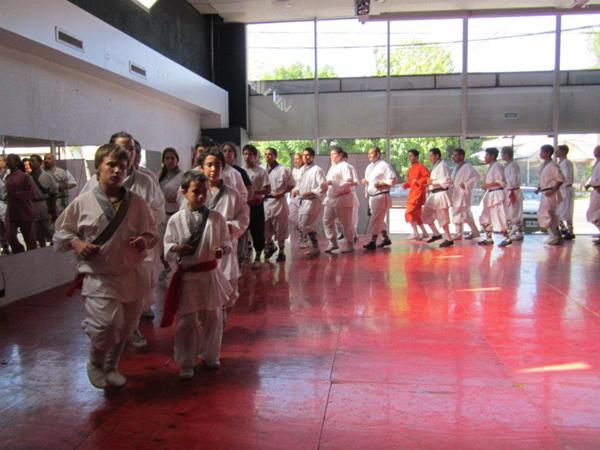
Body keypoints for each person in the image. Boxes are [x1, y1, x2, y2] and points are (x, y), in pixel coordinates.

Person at [53, 143, 159, 389]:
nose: (117, 170)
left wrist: (145, 240)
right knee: (107, 325)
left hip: (131, 274)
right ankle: (95, 362)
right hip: (100, 277)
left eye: (123, 166)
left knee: (127, 326)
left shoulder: (137, 202)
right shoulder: (83, 202)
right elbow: (61, 233)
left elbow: (152, 231)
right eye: (111, 165)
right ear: (97, 168)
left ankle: (111, 366)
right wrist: (77, 243)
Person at [81, 132, 166, 344]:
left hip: (137, 246)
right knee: (109, 298)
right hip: (107, 251)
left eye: (132, 149)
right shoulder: (94, 182)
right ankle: (105, 329)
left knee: (137, 289)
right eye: (122, 148)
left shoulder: (145, 180)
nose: (128, 152)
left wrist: (140, 227)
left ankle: (132, 326)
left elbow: (158, 210)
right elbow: (81, 215)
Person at [162, 171, 232, 379]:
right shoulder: (176, 219)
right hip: (188, 276)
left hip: (209, 274)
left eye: (204, 191)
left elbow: (226, 242)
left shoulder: (216, 218)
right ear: (184, 192)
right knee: (187, 321)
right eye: (195, 192)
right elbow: (167, 244)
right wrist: (176, 248)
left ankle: (211, 355)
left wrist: (221, 250)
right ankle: (186, 362)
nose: (201, 196)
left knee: (213, 317)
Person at [197, 147, 249, 318]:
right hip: (200, 246)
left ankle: (221, 310)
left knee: (224, 281)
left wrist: (229, 226)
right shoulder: (194, 193)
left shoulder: (232, 194)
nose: (213, 169)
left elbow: (244, 217)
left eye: (218, 165)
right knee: (202, 285)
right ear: (201, 168)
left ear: (223, 168)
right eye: (209, 165)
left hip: (223, 245)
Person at [291, 147, 327, 256]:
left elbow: (323, 186)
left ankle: (315, 246)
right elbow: (300, 183)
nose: (305, 157)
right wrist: (296, 190)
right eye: (304, 155)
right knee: (302, 223)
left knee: (306, 225)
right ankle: (314, 245)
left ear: (312, 156)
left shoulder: (317, 170)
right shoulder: (302, 169)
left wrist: (311, 192)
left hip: (312, 200)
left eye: (308, 155)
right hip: (303, 200)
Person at [264, 147, 296, 261]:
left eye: (270, 154)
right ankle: (271, 245)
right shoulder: (262, 170)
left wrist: (282, 192)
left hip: (278, 202)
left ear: (275, 156)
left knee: (280, 228)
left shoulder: (283, 169)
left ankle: (281, 252)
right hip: (265, 202)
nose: (267, 156)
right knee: (265, 228)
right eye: (266, 154)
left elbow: (292, 184)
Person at [362, 147, 397, 250]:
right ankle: (386, 238)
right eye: (368, 153)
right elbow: (372, 180)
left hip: (381, 196)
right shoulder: (370, 167)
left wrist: (382, 183)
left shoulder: (384, 165)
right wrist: (367, 181)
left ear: (378, 154)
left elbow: (393, 178)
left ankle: (373, 241)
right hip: (373, 197)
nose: (369, 155)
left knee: (376, 219)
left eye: (371, 153)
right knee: (379, 219)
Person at [157, 148, 184, 280]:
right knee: (160, 243)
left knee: (177, 243)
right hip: (162, 214)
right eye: (167, 158)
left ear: (177, 159)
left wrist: (176, 198)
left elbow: (185, 194)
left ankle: (180, 268)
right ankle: (166, 266)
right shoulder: (159, 175)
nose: (170, 161)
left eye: (172, 158)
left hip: (176, 213)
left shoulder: (182, 176)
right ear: (163, 160)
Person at [243, 144, 271, 269]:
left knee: (257, 231)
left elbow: (268, 189)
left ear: (255, 156)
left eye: (250, 154)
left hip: (256, 206)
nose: (247, 157)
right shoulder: (240, 172)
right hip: (243, 206)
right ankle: (242, 255)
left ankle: (258, 256)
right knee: (242, 232)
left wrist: (253, 192)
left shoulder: (261, 171)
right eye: (245, 154)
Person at [323, 146, 356, 253]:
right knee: (327, 221)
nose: (331, 156)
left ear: (340, 155)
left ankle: (350, 244)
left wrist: (333, 182)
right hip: (331, 198)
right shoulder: (333, 167)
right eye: (330, 154)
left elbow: (349, 181)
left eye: (334, 154)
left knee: (345, 223)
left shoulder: (345, 166)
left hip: (343, 198)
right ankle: (333, 242)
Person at [4, 154, 37, 253]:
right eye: (7, 160)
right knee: (10, 235)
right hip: (12, 211)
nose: (7, 163)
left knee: (29, 237)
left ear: (17, 162)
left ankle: (32, 255)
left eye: (9, 160)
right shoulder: (8, 177)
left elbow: (31, 192)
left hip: (24, 210)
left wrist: (18, 194)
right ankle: (18, 252)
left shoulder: (24, 177)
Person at [479, 148, 511, 247]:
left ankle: (507, 238)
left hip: (496, 194)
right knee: (484, 217)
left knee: (499, 216)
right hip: (490, 193)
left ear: (492, 156)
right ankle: (488, 238)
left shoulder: (497, 166)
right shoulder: (492, 166)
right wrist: (486, 186)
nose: (485, 157)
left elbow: (500, 181)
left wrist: (487, 185)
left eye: (487, 155)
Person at [423, 148, 454, 247]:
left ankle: (449, 238)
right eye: (429, 156)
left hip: (441, 194)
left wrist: (433, 182)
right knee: (426, 215)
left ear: (437, 156)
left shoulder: (443, 165)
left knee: (442, 218)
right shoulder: (436, 166)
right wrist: (430, 186)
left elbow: (447, 182)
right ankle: (436, 234)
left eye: (431, 156)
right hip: (433, 195)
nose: (430, 158)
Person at [535, 145, 565, 246]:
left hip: (550, 193)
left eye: (542, 152)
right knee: (551, 215)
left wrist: (552, 191)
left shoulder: (552, 165)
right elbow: (545, 179)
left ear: (548, 153)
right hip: (545, 191)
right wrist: (539, 188)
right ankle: (557, 235)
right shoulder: (544, 165)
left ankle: (553, 236)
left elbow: (560, 179)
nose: (540, 154)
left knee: (543, 214)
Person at [450, 148, 480, 241]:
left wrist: (466, 184)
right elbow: (452, 180)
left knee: (462, 213)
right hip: (457, 193)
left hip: (464, 193)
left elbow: (476, 177)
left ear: (461, 156)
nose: (453, 157)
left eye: (456, 155)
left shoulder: (467, 166)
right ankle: (473, 231)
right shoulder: (456, 168)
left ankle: (459, 233)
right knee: (461, 213)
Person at [29, 154, 58, 247]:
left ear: (39, 163)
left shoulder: (47, 176)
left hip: (45, 203)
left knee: (49, 228)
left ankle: (54, 245)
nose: (31, 163)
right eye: (30, 161)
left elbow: (54, 192)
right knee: (37, 230)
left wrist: (52, 206)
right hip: (33, 204)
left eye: (33, 161)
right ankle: (42, 246)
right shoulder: (28, 177)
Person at [402, 149, 430, 240]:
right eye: (408, 156)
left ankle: (416, 233)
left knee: (409, 212)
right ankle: (425, 233)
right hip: (413, 193)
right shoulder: (410, 169)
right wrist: (406, 184)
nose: (409, 158)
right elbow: (412, 182)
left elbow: (427, 178)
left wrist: (419, 182)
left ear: (416, 157)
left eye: (411, 156)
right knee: (416, 214)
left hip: (418, 194)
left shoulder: (421, 167)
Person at [501, 146, 524, 241]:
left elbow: (514, 180)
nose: (501, 155)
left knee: (515, 213)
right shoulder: (507, 165)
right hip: (508, 191)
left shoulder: (513, 165)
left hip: (513, 191)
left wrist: (504, 183)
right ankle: (513, 231)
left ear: (507, 154)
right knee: (509, 213)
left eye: (502, 153)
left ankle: (519, 232)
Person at [556, 144, 576, 240]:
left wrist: (558, 184)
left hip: (565, 189)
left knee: (567, 210)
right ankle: (563, 228)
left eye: (558, 150)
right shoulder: (560, 163)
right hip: (561, 189)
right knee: (558, 210)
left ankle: (570, 231)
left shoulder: (566, 163)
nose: (556, 152)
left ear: (563, 152)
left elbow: (565, 177)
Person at [585, 145, 600, 244]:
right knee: (594, 214)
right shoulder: (597, 162)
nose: (593, 152)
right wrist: (590, 184)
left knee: (593, 214)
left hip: (598, 190)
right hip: (596, 190)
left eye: (595, 150)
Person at [288, 152, 304, 243]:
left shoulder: (304, 170)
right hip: (294, 198)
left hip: (303, 197)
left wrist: (297, 190)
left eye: (297, 159)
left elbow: (303, 183)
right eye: (294, 159)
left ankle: (305, 237)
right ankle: (303, 233)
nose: (295, 161)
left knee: (302, 219)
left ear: (302, 160)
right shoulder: (294, 170)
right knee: (290, 217)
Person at [0, 155, 11, 255]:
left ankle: (11, 244)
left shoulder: (8, 174)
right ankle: (5, 246)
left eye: (0, 161)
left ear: (4, 162)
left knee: (7, 224)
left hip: (6, 203)